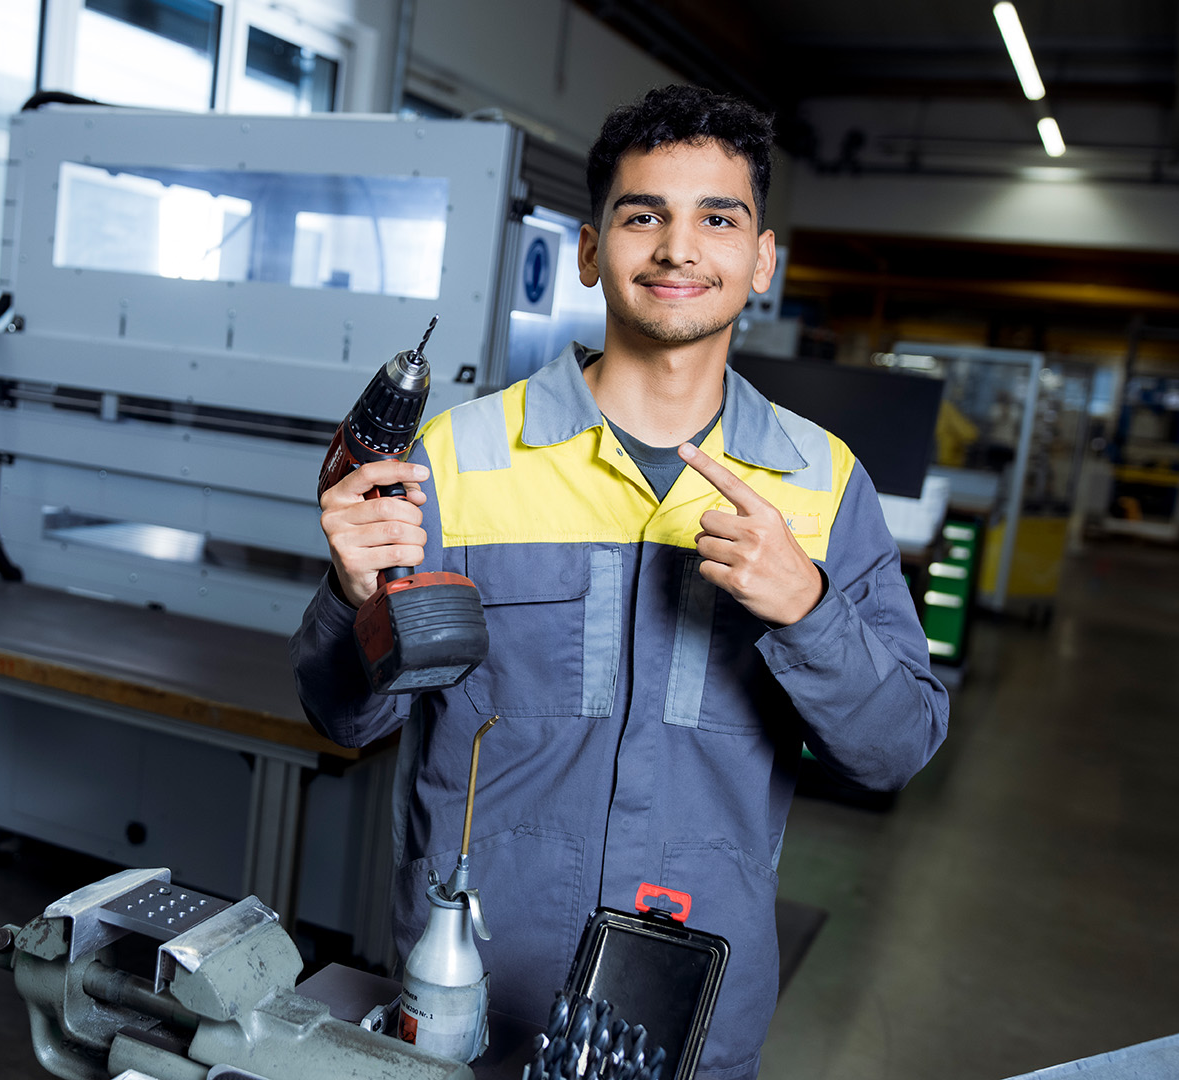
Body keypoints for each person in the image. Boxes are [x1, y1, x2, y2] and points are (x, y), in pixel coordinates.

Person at [290, 84, 949, 1079]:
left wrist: (805, 606)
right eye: (644, 215)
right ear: (593, 250)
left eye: (718, 218)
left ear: (761, 258)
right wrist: (352, 594)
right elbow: (348, 721)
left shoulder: (821, 484)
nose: (680, 248)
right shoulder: (458, 461)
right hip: (467, 991)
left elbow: (895, 748)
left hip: (694, 1013)